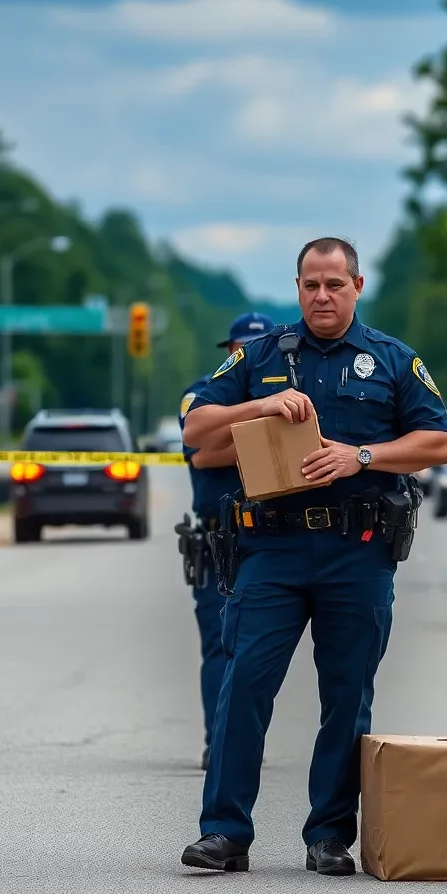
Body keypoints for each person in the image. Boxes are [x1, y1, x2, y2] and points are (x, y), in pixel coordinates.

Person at [180, 237, 447, 876]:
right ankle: (224, 833)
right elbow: (195, 431)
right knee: (244, 684)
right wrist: (261, 404)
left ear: (357, 286)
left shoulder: (390, 360)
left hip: (355, 551)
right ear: (297, 287)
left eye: (334, 284)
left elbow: (436, 442)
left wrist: (362, 455)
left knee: (346, 697)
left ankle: (328, 836)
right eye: (311, 285)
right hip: (270, 549)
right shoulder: (261, 354)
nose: (322, 296)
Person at [178, 311, 275, 772]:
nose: (243, 355)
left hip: (274, 534)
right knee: (220, 644)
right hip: (220, 536)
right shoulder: (203, 396)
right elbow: (200, 455)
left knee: (255, 650)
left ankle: (241, 739)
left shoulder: (286, 392)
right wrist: (269, 434)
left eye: (252, 348)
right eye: (239, 348)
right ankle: (218, 742)